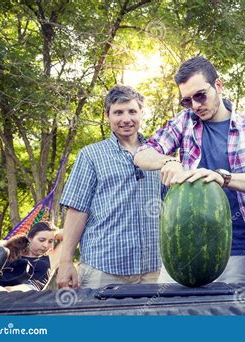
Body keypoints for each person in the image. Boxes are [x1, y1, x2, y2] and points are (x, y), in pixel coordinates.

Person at [134, 56, 245, 284]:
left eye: (201, 95)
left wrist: (224, 178)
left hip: (234, 251)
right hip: (181, 252)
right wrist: (167, 162)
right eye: (187, 101)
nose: (195, 105)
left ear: (218, 86)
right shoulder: (184, 122)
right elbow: (142, 154)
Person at [57, 85, 162, 289]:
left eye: (132, 111)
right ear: (107, 115)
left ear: (141, 113)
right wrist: (65, 262)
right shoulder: (91, 155)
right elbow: (77, 210)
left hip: (153, 269)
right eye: (118, 112)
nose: (126, 119)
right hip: (103, 269)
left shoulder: (158, 154)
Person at [0, 221, 63, 292]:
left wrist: (54, 233)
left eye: (50, 241)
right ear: (30, 238)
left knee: (20, 289)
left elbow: (72, 234)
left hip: (27, 293)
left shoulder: (51, 259)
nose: (46, 245)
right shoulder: (13, 252)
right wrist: (14, 242)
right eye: (41, 240)